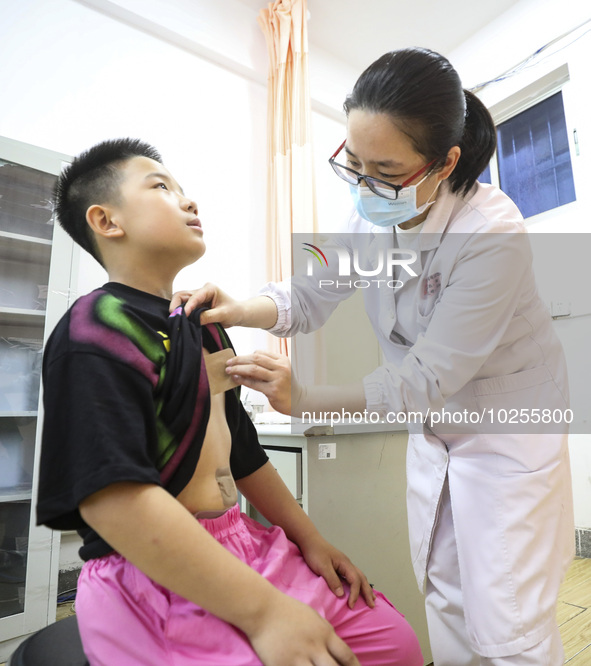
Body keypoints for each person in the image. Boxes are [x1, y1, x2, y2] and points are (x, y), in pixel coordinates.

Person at [175, 48, 575, 665]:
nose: (365, 184)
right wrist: (239, 307)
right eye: (353, 163)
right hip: (438, 432)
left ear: (445, 162)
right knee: (443, 593)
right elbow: (309, 294)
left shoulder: (491, 234)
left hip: (507, 436)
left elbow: (425, 378)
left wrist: (307, 398)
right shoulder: (374, 211)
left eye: (384, 170)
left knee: (509, 620)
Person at [35, 138, 423, 666]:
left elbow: (242, 451)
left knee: (393, 643)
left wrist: (311, 539)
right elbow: (112, 498)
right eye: (162, 187)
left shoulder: (202, 324)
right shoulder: (97, 328)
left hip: (244, 541)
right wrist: (265, 613)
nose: (190, 202)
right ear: (106, 221)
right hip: (151, 565)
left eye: (185, 190)